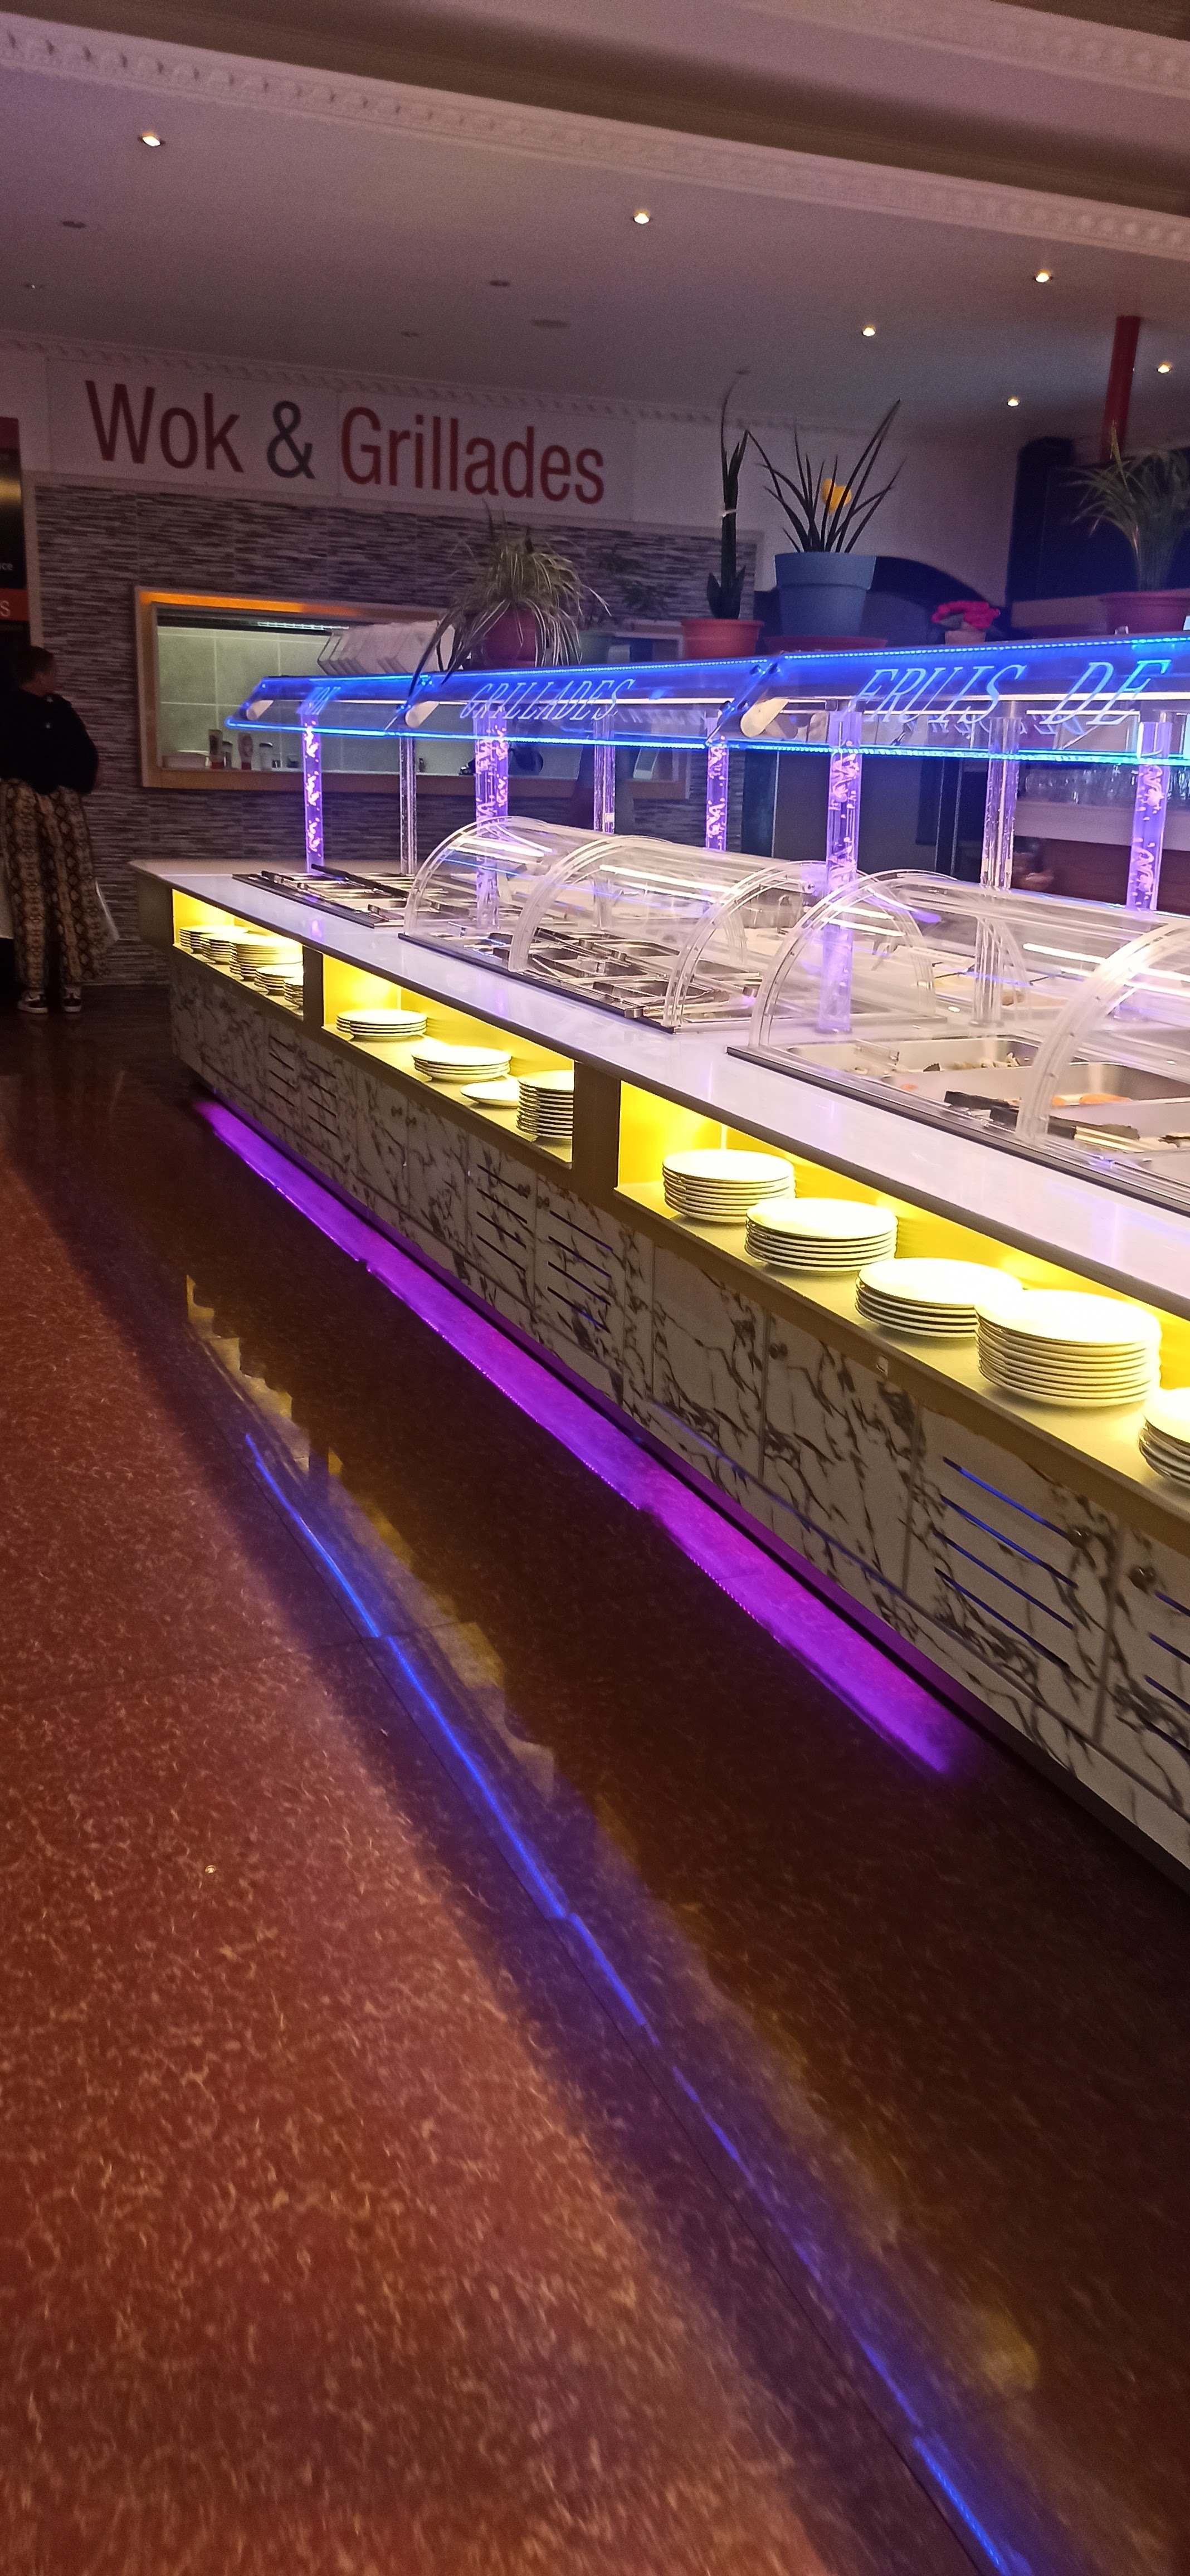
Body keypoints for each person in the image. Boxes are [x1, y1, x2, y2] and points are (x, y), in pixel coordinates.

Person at [0, 640, 110, 1014]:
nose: (57, 677)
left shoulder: (6, 708)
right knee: (74, 889)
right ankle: (72, 986)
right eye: (54, 671)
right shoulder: (60, 711)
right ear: (40, 674)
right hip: (63, 802)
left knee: (29, 893)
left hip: (18, 801)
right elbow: (87, 759)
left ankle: (34, 991)